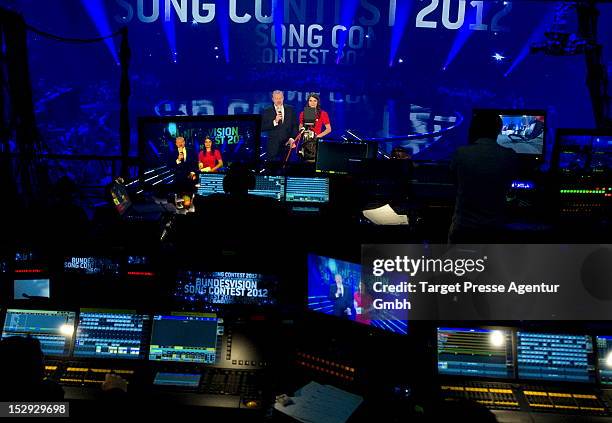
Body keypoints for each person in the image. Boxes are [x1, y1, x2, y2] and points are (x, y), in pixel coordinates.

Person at [449, 111, 518, 243]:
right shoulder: (510, 156)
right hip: (494, 230)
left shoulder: (461, 153)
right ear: (498, 129)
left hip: (463, 228)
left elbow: (454, 182)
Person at [261, 90, 299, 161]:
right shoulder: (267, 110)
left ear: (283, 98)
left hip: (287, 146)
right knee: (272, 169)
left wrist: (292, 138)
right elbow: (262, 127)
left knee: (286, 168)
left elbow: (295, 126)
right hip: (273, 147)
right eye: (276, 98)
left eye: (280, 98)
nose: (278, 100)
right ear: (273, 99)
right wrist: (275, 121)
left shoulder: (290, 109)